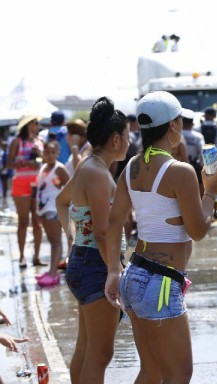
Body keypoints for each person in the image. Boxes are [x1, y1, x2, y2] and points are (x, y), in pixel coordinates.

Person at [104, 91, 217, 383]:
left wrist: (112, 271)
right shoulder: (180, 171)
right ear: (173, 126)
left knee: (152, 371)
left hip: (134, 276)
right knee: (179, 374)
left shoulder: (131, 167)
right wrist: (212, 190)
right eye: (180, 120)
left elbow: (114, 220)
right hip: (160, 281)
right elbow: (197, 231)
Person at [55, 97, 130, 384]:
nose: (129, 140)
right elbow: (102, 231)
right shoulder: (98, 173)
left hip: (84, 262)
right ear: (114, 139)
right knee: (100, 355)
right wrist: (115, 270)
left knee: (87, 349)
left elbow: (62, 202)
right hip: (96, 266)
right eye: (126, 135)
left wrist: (72, 237)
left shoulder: (89, 165)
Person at [7, 115, 44, 268]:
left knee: (37, 221)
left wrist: (40, 156)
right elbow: (9, 164)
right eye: (36, 123)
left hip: (37, 184)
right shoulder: (17, 142)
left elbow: (46, 161)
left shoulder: (39, 142)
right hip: (21, 184)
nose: (38, 126)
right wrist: (25, 163)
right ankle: (22, 256)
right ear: (28, 125)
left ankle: (36, 256)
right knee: (23, 221)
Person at [36, 141, 70, 287]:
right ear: (43, 153)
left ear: (57, 153)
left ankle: (52, 273)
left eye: (52, 152)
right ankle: (52, 270)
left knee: (56, 242)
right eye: (46, 152)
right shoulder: (43, 167)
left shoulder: (59, 168)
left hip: (54, 209)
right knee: (52, 242)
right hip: (44, 209)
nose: (49, 155)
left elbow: (70, 185)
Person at [181, 108, 205, 187]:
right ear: (192, 123)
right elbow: (203, 153)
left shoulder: (176, 135)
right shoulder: (198, 136)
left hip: (177, 166)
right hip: (195, 167)